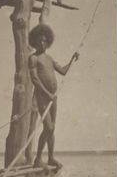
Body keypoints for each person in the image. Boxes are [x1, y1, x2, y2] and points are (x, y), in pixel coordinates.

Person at [28, 24, 79, 168]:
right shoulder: (33, 58)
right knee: (48, 127)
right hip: (43, 98)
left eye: (44, 40)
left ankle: (50, 158)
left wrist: (72, 59)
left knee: (52, 129)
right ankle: (38, 159)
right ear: (35, 42)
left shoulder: (49, 58)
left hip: (52, 98)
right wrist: (48, 94)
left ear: (48, 42)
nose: (42, 43)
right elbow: (35, 80)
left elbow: (63, 71)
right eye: (39, 40)